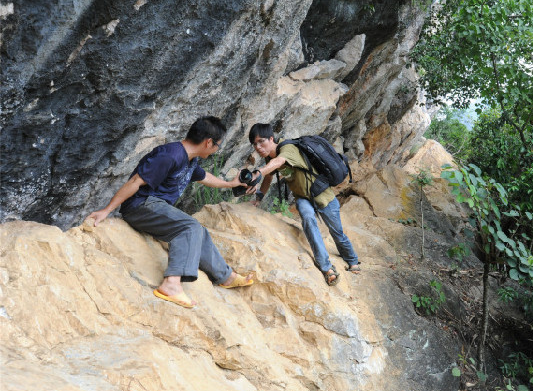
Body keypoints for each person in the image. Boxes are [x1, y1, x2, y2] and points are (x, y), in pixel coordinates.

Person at [86, 116, 254, 308]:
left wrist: (230, 184)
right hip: (140, 205)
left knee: (199, 232)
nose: (216, 149)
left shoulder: (190, 160)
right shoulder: (170, 155)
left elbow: (203, 176)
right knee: (190, 227)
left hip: (156, 207)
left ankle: (227, 277)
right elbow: (135, 182)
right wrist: (107, 210)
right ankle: (171, 285)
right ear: (208, 142)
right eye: (217, 145)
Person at [248, 123, 360, 286]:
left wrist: (256, 173)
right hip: (302, 197)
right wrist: (259, 197)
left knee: (337, 232)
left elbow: (279, 162)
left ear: (271, 139)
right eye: (254, 144)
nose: (258, 147)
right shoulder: (270, 157)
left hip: (322, 195)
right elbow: (269, 176)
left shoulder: (287, 149)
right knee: (308, 221)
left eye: (261, 142)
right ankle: (326, 267)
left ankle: (352, 259)